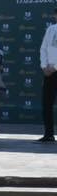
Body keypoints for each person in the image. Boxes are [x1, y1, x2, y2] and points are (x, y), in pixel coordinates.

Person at [40, 8, 57, 143]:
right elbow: (43, 48)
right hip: (49, 73)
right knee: (47, 103)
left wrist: (55, 67)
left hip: (54, 69)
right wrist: (44, 66)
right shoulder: (51, 29)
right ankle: (49, 134)